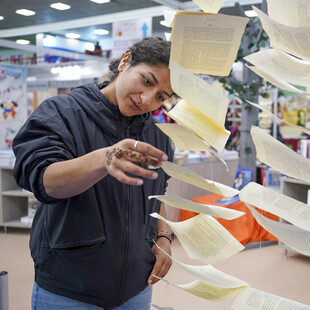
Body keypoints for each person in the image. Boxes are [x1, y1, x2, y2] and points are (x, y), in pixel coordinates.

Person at [12, 37, 174, 310]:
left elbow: (156, 195)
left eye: (161, 96)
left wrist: (164, 237)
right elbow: (42, 180)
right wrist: (104, 159)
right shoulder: (61, 113)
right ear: (125, 62)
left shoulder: (157, 136)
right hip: (69, 289)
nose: (147, 100)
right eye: (146, 81)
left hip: (137, 287)